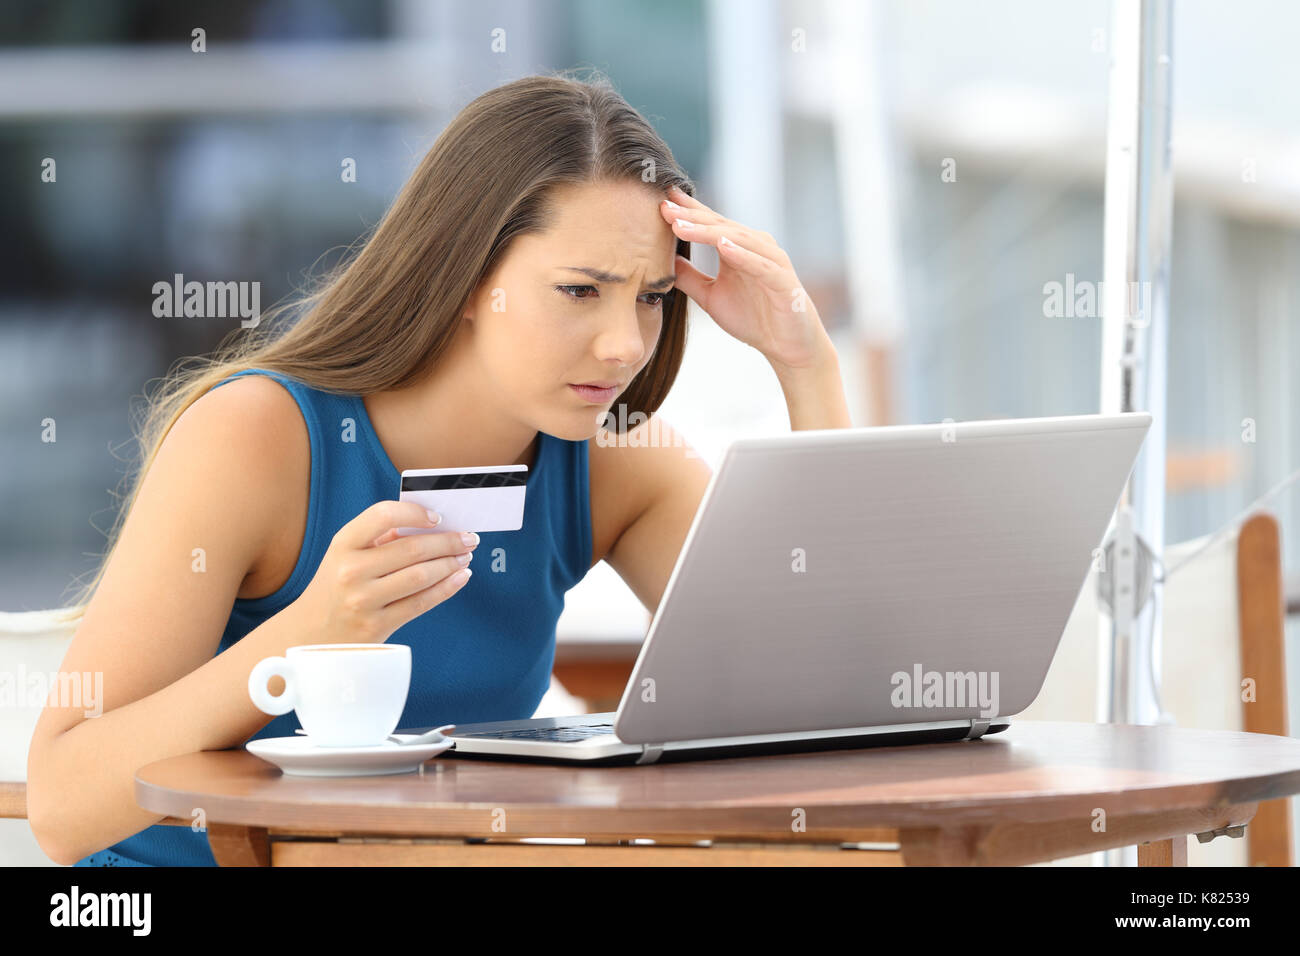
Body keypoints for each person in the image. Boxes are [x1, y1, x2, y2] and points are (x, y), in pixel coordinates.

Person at [26, 70, 851, 866]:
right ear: (464, 276)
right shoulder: (256, 437)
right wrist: (308, 637)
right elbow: (63, 810)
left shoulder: (611, 461)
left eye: (648, 296)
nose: (626, 346)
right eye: (578, 291)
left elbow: (823, 693)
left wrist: (805, 363)